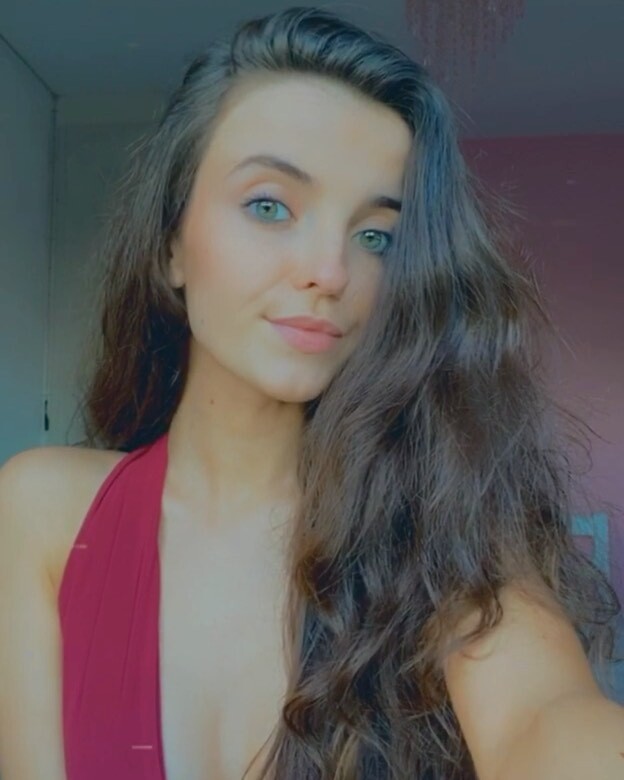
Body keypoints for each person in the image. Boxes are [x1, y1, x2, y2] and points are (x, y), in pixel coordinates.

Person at [0, 5, 622, 780]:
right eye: (270, 206)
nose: (330, 272)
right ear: (170, 245)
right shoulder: (44, 512)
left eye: (377, 237)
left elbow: (543, 720)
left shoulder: (445, 526)